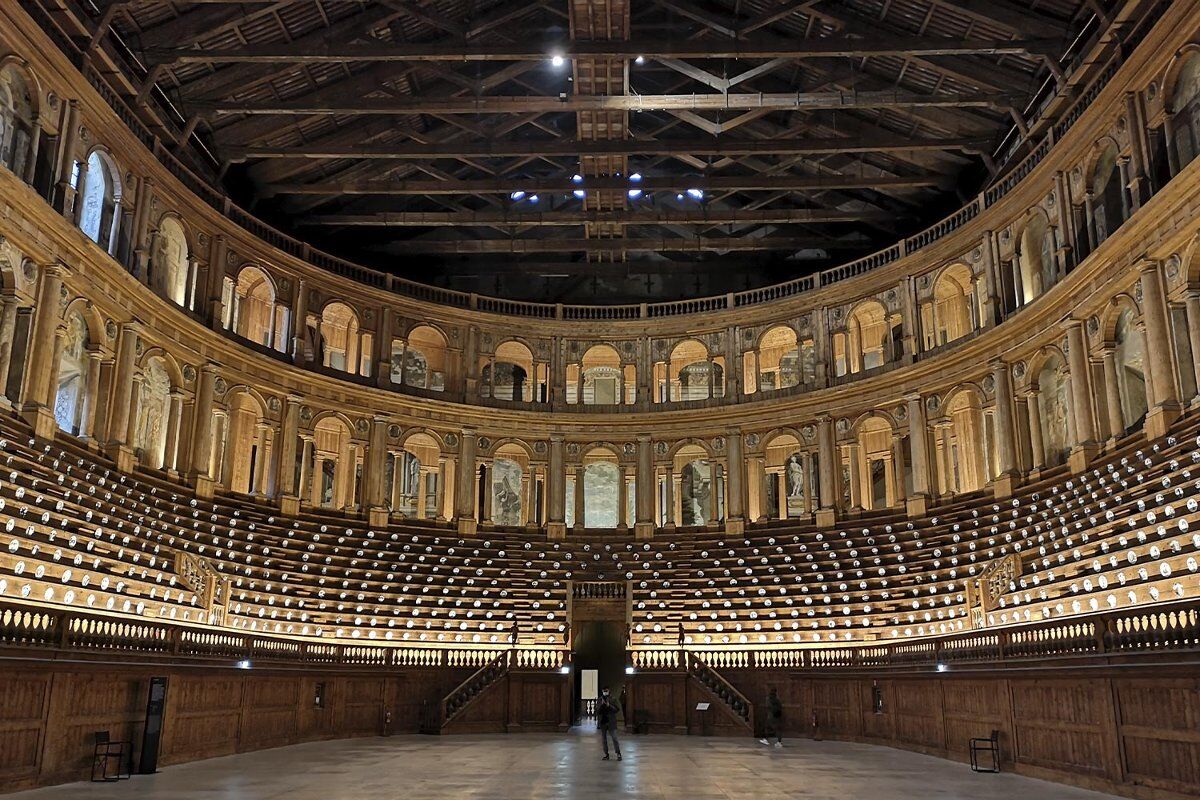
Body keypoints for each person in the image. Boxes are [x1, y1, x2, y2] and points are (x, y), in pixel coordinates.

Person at [597, 686, 622, 761]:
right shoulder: (600, 700)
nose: (605, 692)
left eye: (606, 691)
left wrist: (609, 706)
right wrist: (602, 705)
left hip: (611, 721)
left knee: (614, 738)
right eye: (604, 691)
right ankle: (606, 754)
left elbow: (617, 709)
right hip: (603, 722)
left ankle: (618, 753)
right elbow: (597, 711)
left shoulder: (613, 699)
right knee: (604, 739)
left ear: (609, 691)